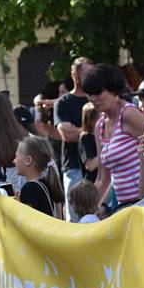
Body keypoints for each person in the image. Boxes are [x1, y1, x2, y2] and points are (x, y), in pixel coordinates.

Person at [83, 64, 144, 211]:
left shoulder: (129, 114)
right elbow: (102, 179)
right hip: (124, 206)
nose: (93, 98)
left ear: (113, 90)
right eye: (89, 94)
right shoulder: (100, 126)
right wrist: (87, 214)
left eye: (98, 92)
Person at [53, 57, 94, 220]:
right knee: (74, 217)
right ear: (75, 75)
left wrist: (79, 130)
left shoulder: (97, 99)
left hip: (98, 168)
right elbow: (67, 134)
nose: (92, 77)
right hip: (74, 166)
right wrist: (92, 130)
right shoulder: (63, 102)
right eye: (88, 73)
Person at [13, 136, 64, 218]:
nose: (14, 161)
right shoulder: (46, 183)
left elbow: (26, 221)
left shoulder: (30, 188)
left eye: (16, 156)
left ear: (28, 160)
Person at [78, 102, 99, 183]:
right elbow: (90, 165)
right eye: (100, 116)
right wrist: (109, 152)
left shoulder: (106, 135)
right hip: (93, 184)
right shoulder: (85, 139)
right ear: (91, 121)